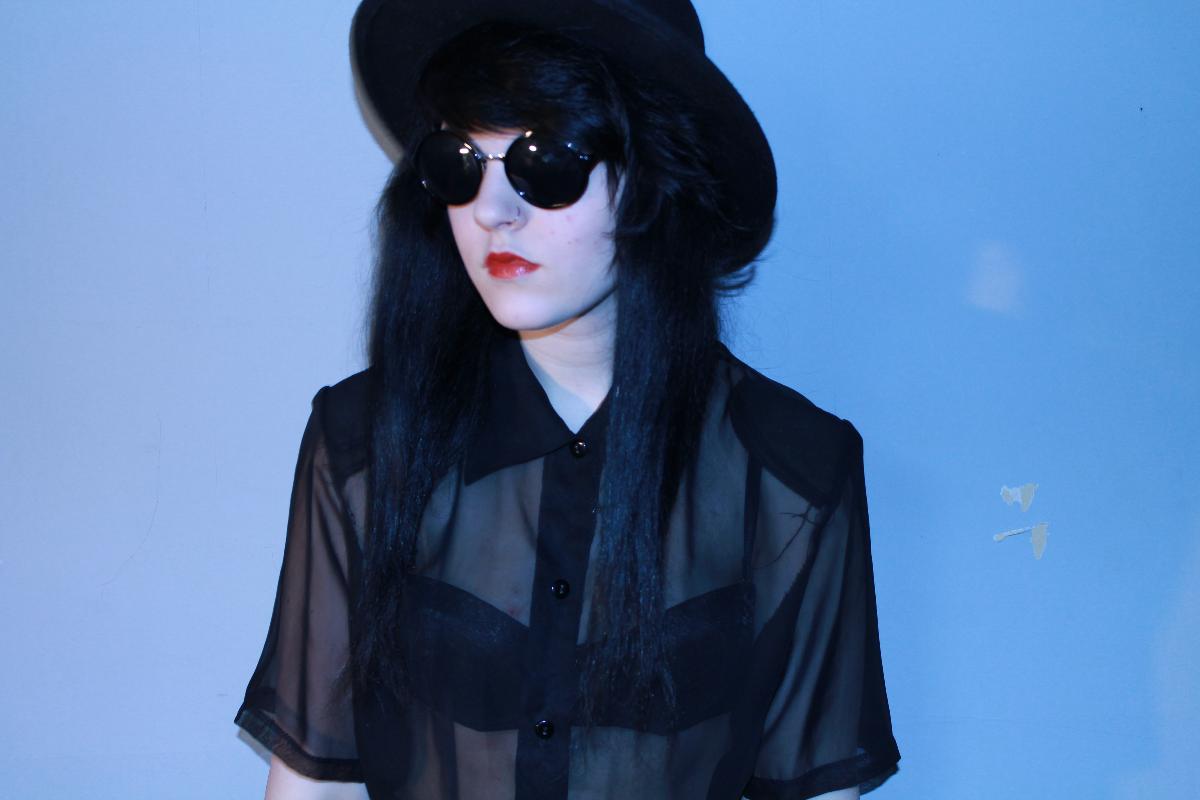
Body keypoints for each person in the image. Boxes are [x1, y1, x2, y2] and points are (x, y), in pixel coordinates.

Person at [234, 1, 902, 798]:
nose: (492, 212)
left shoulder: (795, 473)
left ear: (653, 181)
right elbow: (314, 781)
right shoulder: (361, 444)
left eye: (545, 162)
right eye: (458, 163)